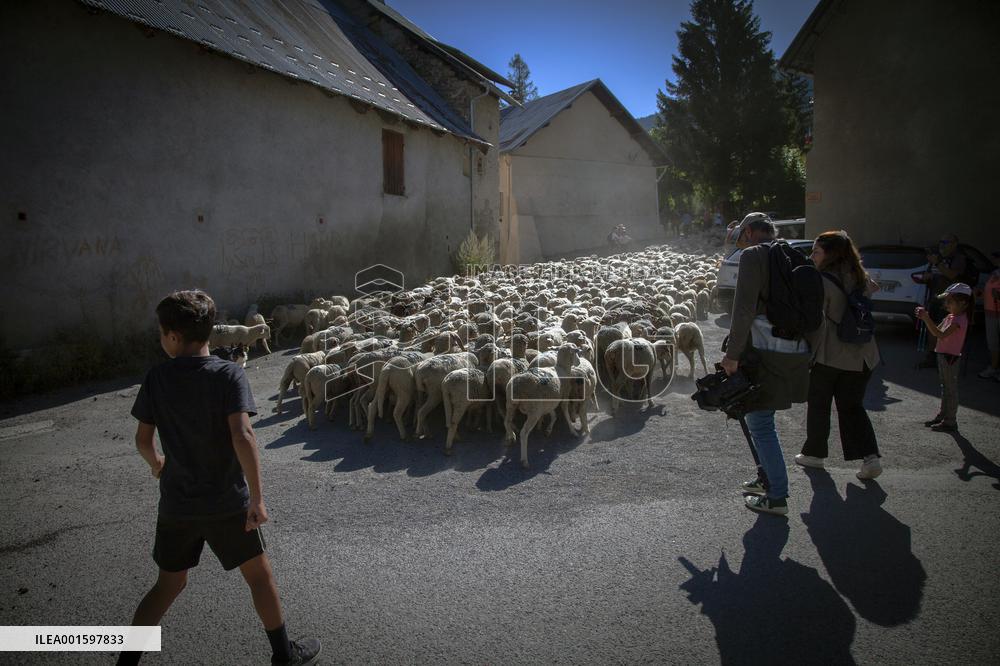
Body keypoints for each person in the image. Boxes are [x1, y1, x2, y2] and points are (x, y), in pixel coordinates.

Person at [119, 290, 320, 666]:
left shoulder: (157, 378)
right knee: (259, 577)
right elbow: (242, 435)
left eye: (161, 332)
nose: (161, 338)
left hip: (178, 503)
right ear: (209, 332)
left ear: (173, 337)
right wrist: (257, 498)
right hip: (227, 502)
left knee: (168, 585)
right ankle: (284, 654)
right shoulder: (228, 374)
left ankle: (126, 661)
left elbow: (143, 441)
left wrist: (157, 463)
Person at [722, 213, 811, 516]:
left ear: (747, 232)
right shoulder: (791, 253)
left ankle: (777, 496)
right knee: (762, 419)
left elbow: (744, 308)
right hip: (792, 347)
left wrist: (732, 354)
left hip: (763, 348)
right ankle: (766, 479)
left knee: (760, 423)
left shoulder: (752, 256)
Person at [795, 231, 883, 480]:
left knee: (819, 403)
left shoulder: (822, 280)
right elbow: (872, 290)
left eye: (816, 251)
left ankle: (814, 453)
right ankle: (870, 457)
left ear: (830, 254)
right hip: (865, 354)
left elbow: (815, 319)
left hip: (831, 354)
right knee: (852, 407)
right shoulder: (859, 275)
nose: (812, 256)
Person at [915, 283, 973, 432]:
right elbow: (937, 331)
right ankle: (943, 416)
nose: (946, 304)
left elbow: (939, 334)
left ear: (963, 303)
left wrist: (926, 318)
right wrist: (925, 318)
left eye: (950, 301)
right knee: (945, 388)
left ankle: (950, 421)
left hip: (949, 357)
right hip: (943, 355)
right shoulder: (951, 316)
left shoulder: (958, 320)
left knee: (950, 389)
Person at [919, 234, 973, 368]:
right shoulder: (939, 258)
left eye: (945, 242)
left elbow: (952, 275)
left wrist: (937, 263)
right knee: (934, 325)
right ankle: (933, 355)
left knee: (945, 330)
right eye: (941, 241)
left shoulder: (959, 258)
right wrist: (927, 276)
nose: (942, 244)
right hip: (936, 296)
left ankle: (945, 357)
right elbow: (933, 274)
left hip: (952, 299)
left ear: (954, 244)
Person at [976, 251, 1000, 380]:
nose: (995, 259)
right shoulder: (995, 273)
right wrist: (981, 292)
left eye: (997, 257)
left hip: (997, 311)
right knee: (993, 342)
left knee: (996, 341)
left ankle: (994, 368)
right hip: (990, 311)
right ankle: (994, 367)